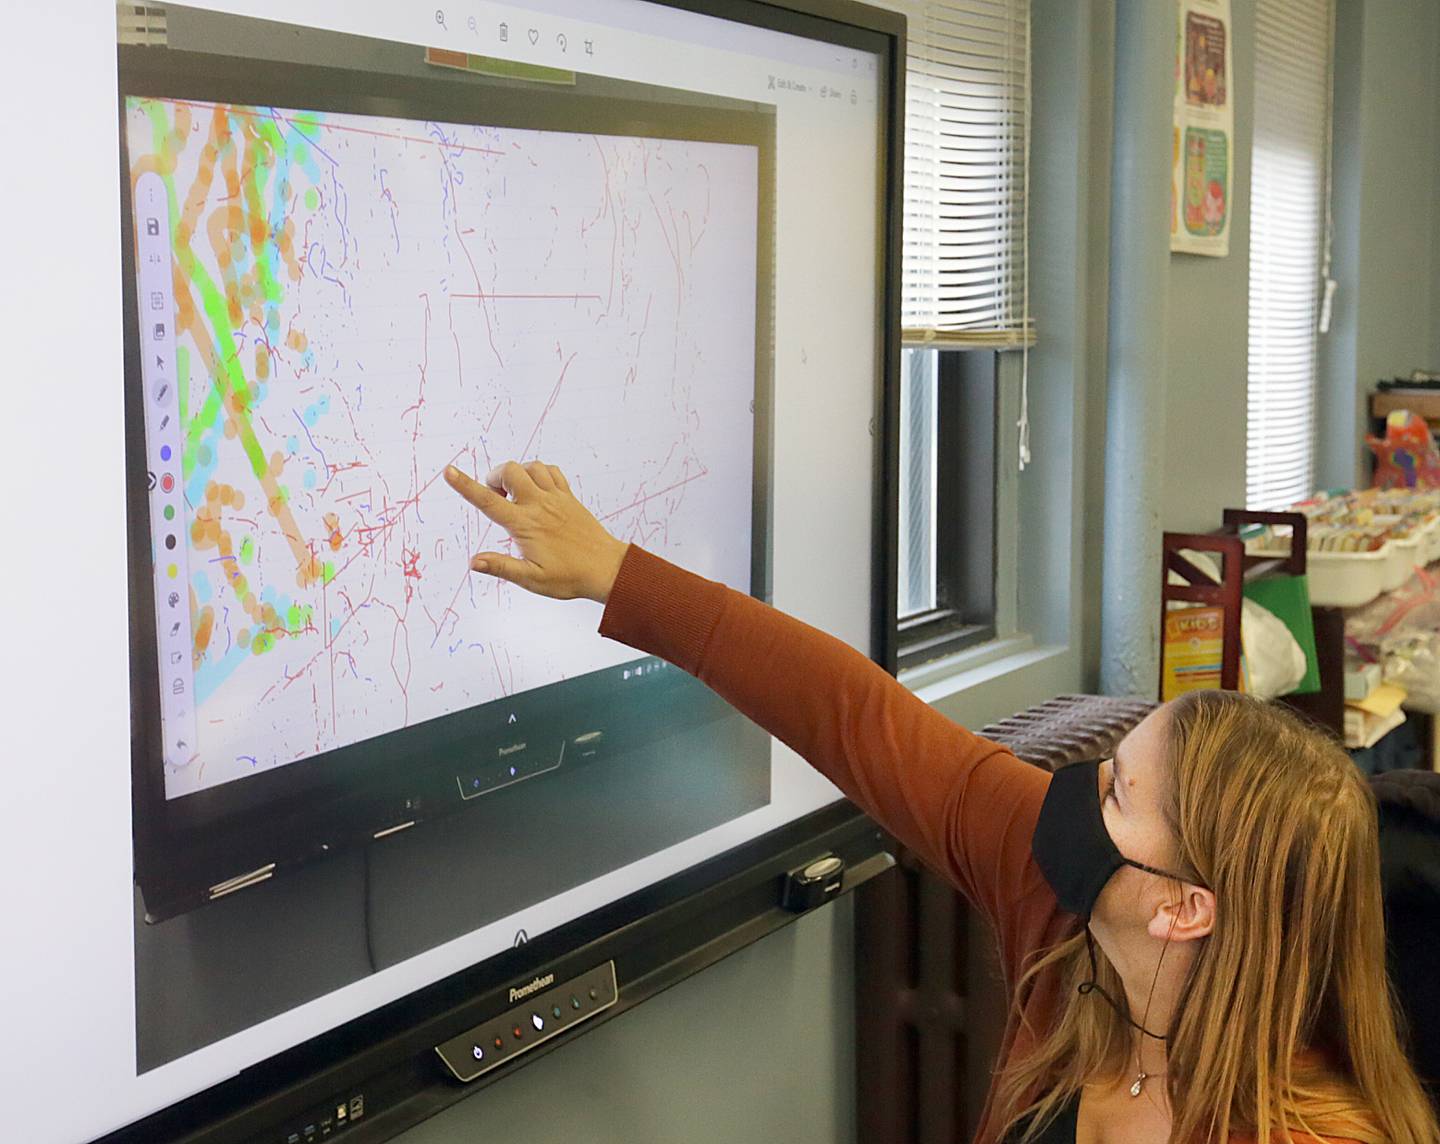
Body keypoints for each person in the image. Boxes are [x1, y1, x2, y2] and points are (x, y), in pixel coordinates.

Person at [442, 460, 1439, 1144]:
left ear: (1185, 905)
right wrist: (617, 572)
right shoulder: (1069, 909)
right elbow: (852, 712)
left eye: (1118, 791)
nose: (1072, 795)